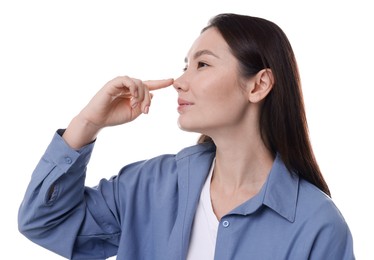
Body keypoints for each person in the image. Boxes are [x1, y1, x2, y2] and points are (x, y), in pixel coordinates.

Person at [18, 13, 355, 260]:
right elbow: (43, 223)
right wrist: (88, 123)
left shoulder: (318, 226)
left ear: (258, 85)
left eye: (202, 65)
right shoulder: (149, 185)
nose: (180, 81)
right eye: (185, 65)